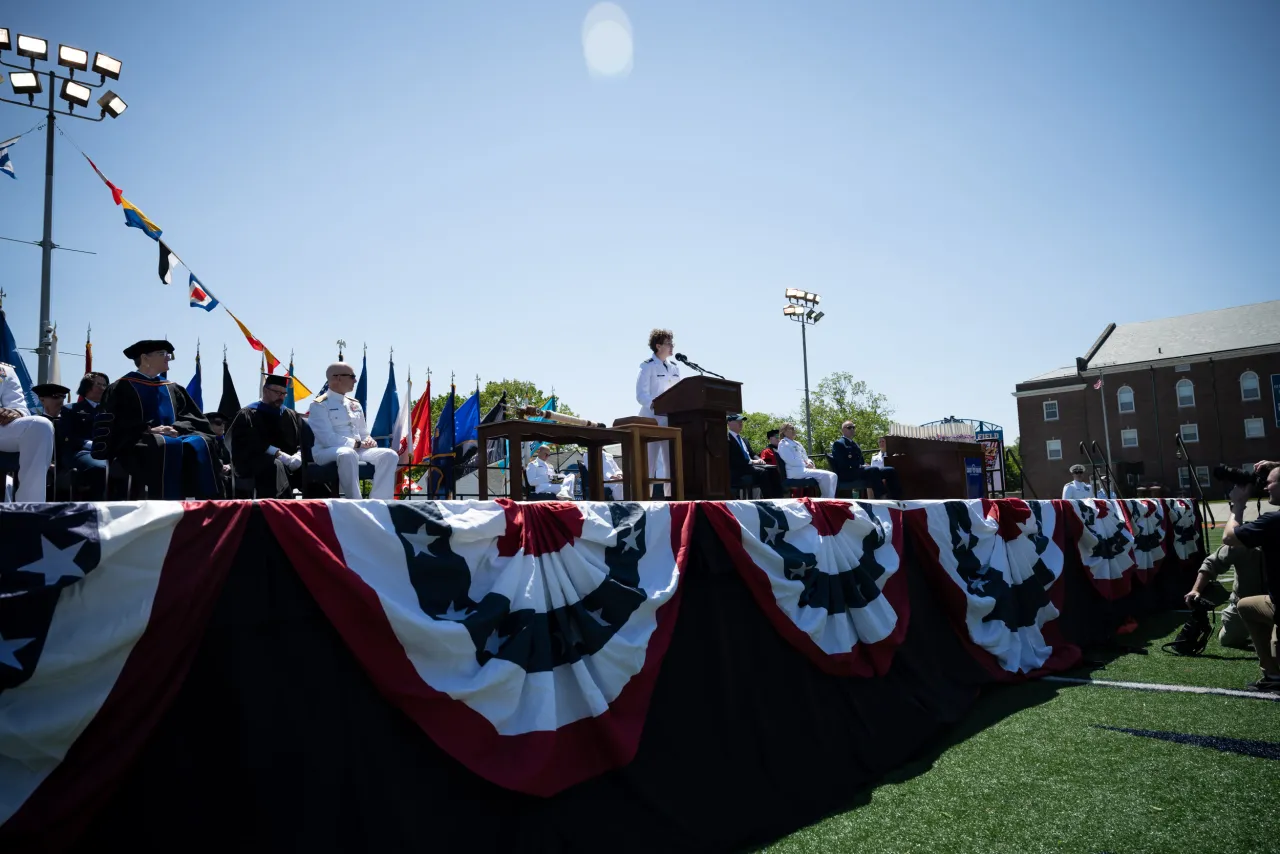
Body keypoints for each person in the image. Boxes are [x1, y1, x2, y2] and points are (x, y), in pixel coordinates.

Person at [91, 340, 222, 499]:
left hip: (174, 435)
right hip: (136, 441)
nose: (168, 358)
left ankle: (206, 506)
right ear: (145, 358)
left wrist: (176, 428)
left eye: (168, 355)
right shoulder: (121, 387)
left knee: (200, 442)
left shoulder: (172, 388)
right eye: (163, 354)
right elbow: (115, 422)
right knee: (164, 445)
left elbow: (192, 418)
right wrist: (148, 430)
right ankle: (164, 507)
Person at [1223, 460, 1280, 693]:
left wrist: (1238, 504)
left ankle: (1274, 673)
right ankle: (1273, 673)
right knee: (1247, 605)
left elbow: (1229, 537)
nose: (1265, 488)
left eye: (1270, 483)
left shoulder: (1273, 521)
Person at [308, 362, 399, 499]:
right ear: (337, 378)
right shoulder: (319, 405)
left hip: (358, 450)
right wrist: (357, 444)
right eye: (352, 376)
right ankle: (355, 501)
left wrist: (368, 440)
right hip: (327, 451)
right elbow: (327, 439)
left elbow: (363, 432)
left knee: (390, 455)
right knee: (347, 453)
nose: (355, 380)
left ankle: (380, 502)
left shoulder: (354, 403)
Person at [229, 376, 304, 498]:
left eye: (284, 393)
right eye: (277, 392)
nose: (281, 396)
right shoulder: (248, 414)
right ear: (265, 391)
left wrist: (299, 455)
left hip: (291, 462)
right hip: (258, 462)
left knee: (312, 466)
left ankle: (320, 510)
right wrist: (281, 456)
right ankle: (279, 508)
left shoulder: (290, 414)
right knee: (276, 465)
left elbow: (301, 438)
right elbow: (249, 443)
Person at [1183, 543, 1266, 649]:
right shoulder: (1242, 543)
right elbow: (1212, 563)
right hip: (1243, 603)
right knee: (1228, 640)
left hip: (1273, 603)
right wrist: (1196, 589)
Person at [635, 328, 681, 497]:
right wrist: (657, 405)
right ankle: (644, 499)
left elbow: (680, 392)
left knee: (671, 463)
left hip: (670, 420)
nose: (672, 346)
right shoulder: (647, 367)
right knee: (649, 464)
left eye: (672, 342)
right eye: (668, 343)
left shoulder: (674, 368)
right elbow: (641, 395)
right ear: (658, 345)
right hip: (650, 420)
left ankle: (672, 499)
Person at [0, 365, 54, 502]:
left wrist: (15, 412)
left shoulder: (5, 371)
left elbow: (18, 407)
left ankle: (29, 508)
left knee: (39, 425)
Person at [62, 374, 109, 498]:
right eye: (99, 384)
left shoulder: (111, 410)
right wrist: (92, 445)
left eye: (105, 385)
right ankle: (96, 509)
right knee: (99, 468)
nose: (103, 388)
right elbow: (67, 437)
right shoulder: (70, 410)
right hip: (82, 451)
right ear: (87, 387)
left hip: (110, 451)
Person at [830, 421, 901, 499]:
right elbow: (842, 463)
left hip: (858, 471)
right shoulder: (839, 444)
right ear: (843, 430)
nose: (852, 429)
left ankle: (896, 498)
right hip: (847, 473)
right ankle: (882, 496)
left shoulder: (855, 444)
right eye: (849, 428)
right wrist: (860, 466)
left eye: (853, 427)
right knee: (873, 469)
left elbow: (861, 460)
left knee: (890, 470)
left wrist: (864, 465)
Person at [777, 422, 838, 498]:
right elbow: (791, 461)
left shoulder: (797, 443)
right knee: (827, 476)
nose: (794, 430)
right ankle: (826, 501)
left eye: (794, 428)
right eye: (791, 428)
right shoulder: (783, 444)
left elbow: (806, 457)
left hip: (804, 469)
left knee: (833, 475)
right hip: (796, 472)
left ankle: (828, 499)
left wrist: (810, 463)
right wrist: (806, 464)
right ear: (784, 432)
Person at [727, 414, 781, 498]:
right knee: (763, 472)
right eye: (738, 421)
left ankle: (778, 497)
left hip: (750, 466)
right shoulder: (727, 439)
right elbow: (733, 459)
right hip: (738, 470)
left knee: (773, 469)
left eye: (741, 421)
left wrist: (759, 459)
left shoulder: (744, 440)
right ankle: (768, 499)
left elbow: (752, 454)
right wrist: (751, 461)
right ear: (729, 423)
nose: (741, 423)